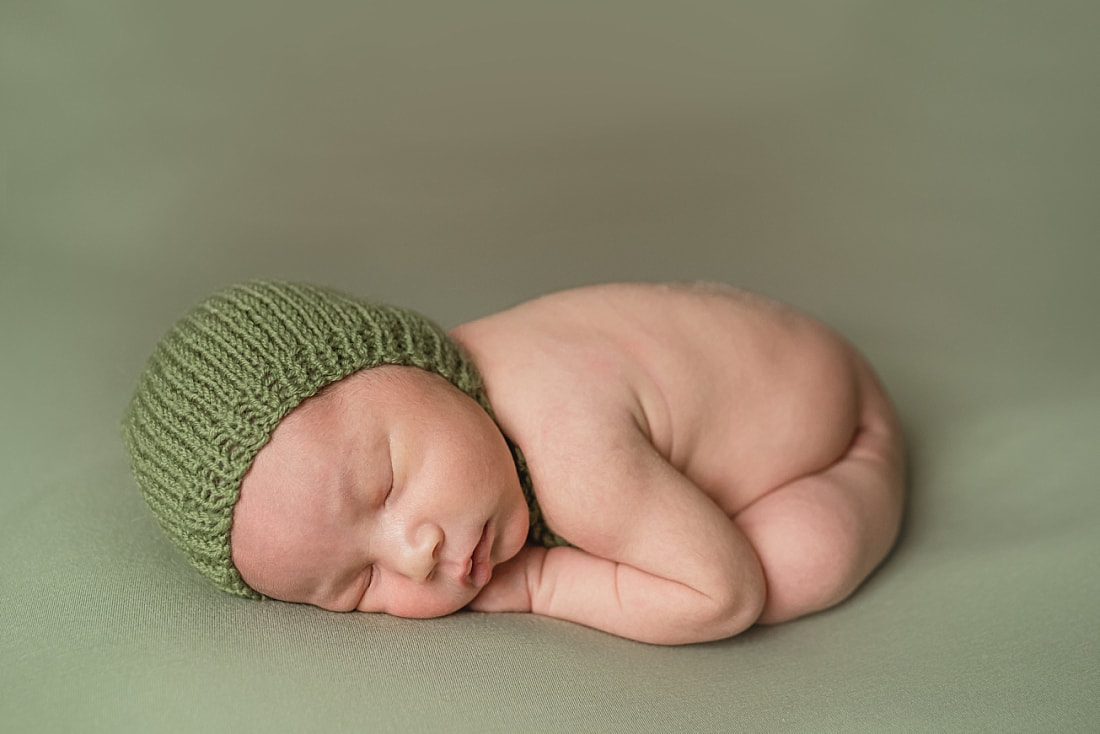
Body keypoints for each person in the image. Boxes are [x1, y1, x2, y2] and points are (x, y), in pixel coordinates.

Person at [123, 280, 904, 645]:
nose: (413, 553)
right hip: (757, 341)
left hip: (832, 428)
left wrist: (543, 582)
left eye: (387, 485)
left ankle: (881, 464)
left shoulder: (570, 451)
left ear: (414, 360)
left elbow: (721, 594)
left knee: (794, 567)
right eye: (358, 585)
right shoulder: (456, 412)